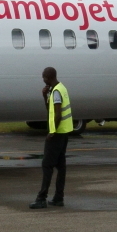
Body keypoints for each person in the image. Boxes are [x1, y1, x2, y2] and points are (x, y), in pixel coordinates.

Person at [30, 67, 72, 209]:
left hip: (57, 133)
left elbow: (58, 114)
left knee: (47, 165)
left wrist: (52, 132)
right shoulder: (60, 88)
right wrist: (44, 96)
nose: (43, 79)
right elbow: (51, 110)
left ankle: (41, 198)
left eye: (43, 77)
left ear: (47, 77)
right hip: (64, 132)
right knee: (61, 166)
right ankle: (59, 197)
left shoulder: (56, 92)